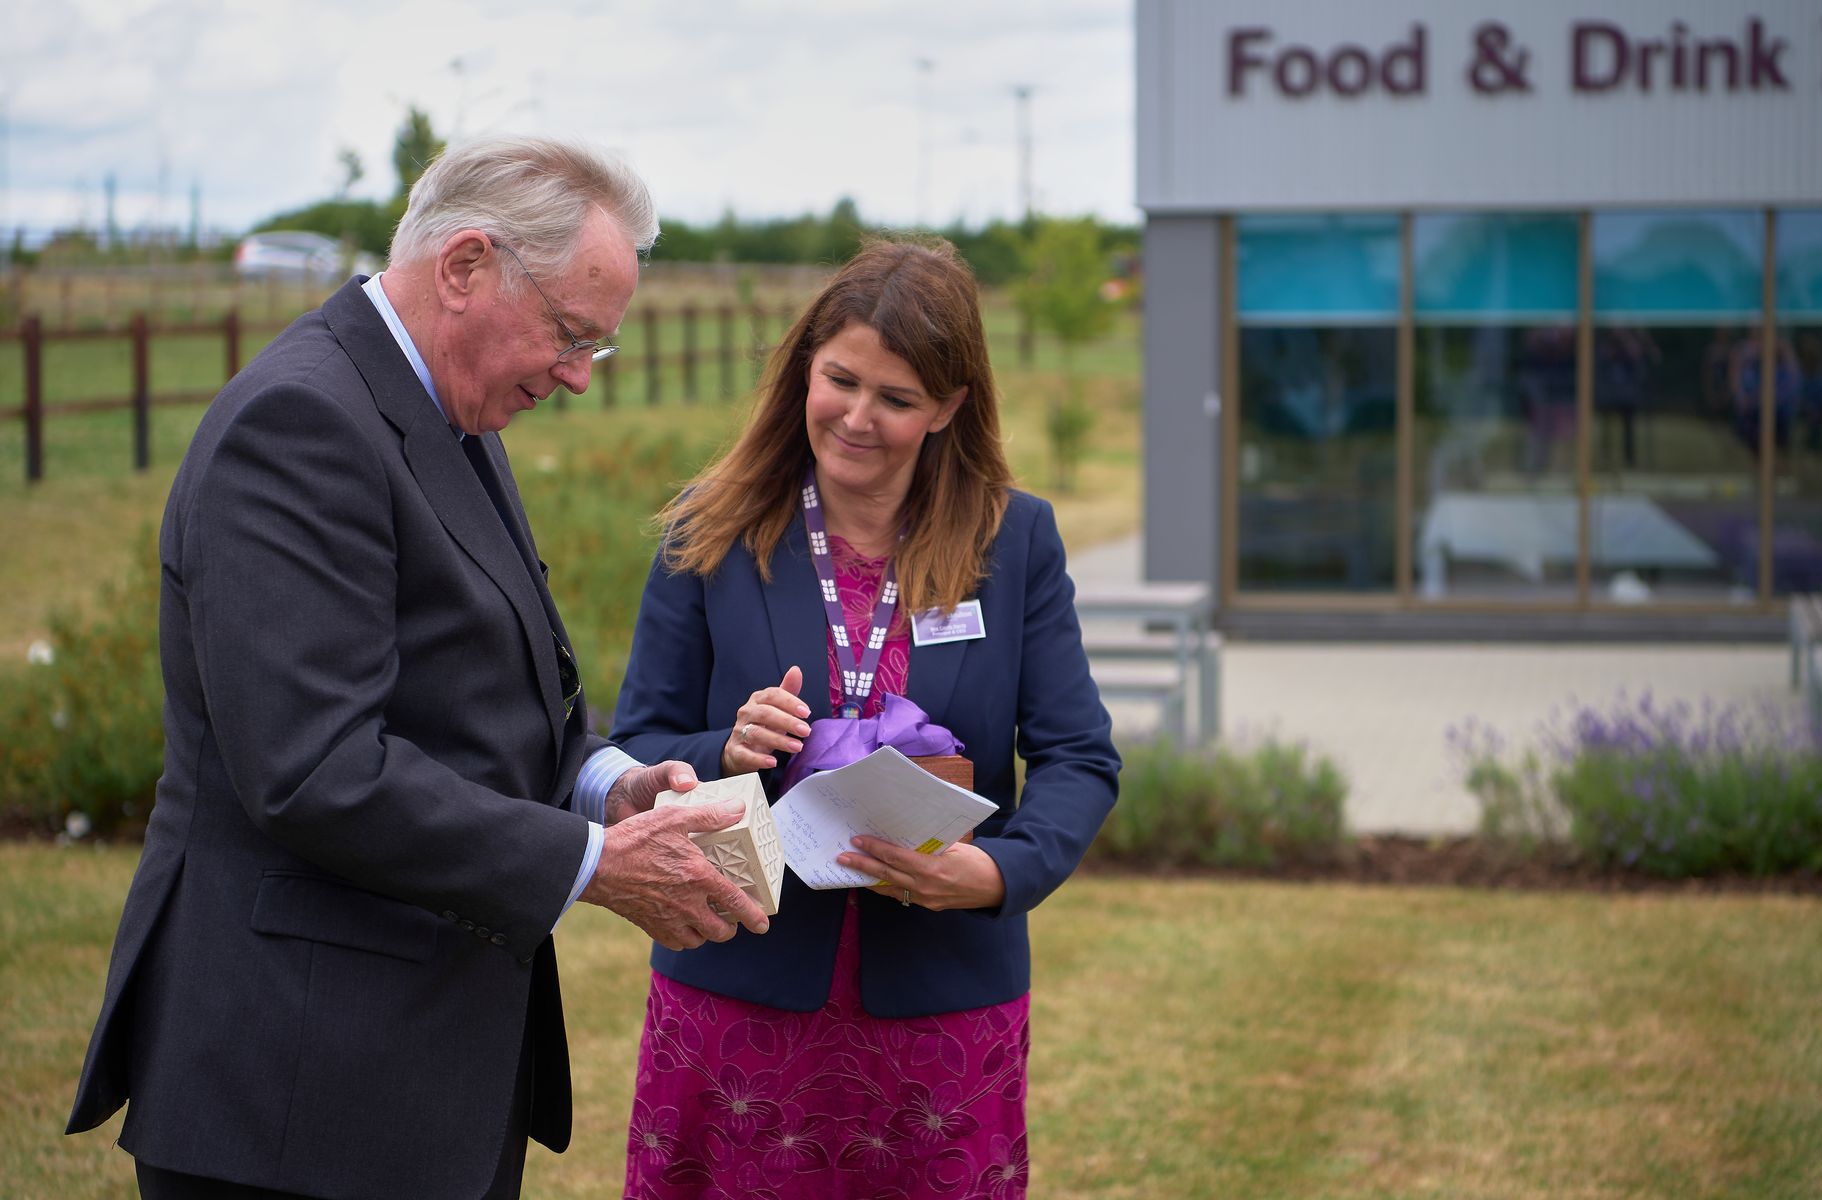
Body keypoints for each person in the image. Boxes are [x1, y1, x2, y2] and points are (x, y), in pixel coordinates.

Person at [65, 136, 769, 1200]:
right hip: (298, 1093)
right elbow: (315, 768)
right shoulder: (300, 422)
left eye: (600, 347)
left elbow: (481, 700)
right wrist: (592, 864)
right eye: (571, 335)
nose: (579, 377)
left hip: (418, 1074)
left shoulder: (443, 400)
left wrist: (609, 788)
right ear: (465, 266)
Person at [610, 237, 1121, 1197]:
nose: (856, 417)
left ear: (948, 407)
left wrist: (998, 873)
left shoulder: (1015, 542)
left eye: (896, 399)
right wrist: (722, 748)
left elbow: (1078, 757)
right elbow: (631, 746)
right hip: (739, 985)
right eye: (839, 380)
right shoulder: (706, 531)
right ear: (804, 364)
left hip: (939, 1004)